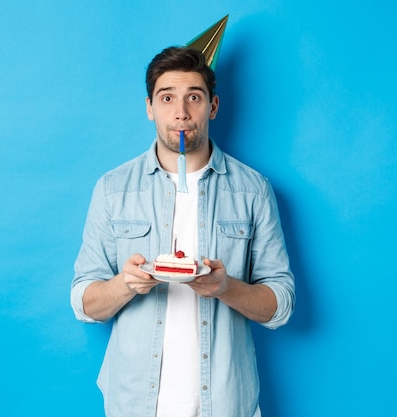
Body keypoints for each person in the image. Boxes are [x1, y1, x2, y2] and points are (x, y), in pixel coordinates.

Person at [71, 46, 295, 417]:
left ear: (213, 106)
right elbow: (83, 301)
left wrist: (226, 288)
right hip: (133, 403)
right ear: (149, 108)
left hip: (225, 403)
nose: (180, 112)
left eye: (194, 96)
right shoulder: (113, 189)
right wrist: (126, 284)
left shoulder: (253, 190)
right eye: (167, 98)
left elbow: (281, 305)